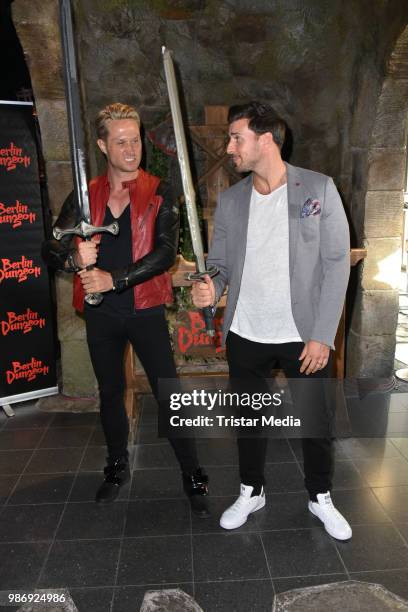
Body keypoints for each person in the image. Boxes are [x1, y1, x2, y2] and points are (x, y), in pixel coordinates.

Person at [191, 101, 352, 539]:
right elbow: (219, 265)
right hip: (246, 331)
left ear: (266, 140)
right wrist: (211, 286)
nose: (229, 147)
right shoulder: (231, 200)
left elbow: (337, 263)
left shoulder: (318, 189)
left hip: (303, 336)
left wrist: (322, 336)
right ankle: (251, 490)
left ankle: (320, 496)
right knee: (248, 421)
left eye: (235, 137)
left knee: (316, 422)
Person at [43, 102, 209, 517]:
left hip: (144, 308)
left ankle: (193, 474)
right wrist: (74, 257)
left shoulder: (157, 191)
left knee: (169, 393)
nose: (132, 149)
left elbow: (166, 253)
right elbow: (51, 246)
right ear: (103, 145)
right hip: (100, 313)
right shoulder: (86, 196)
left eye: (135, 140)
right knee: (111, 392)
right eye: (121, 142)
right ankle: (116, 468)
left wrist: (113, 278)